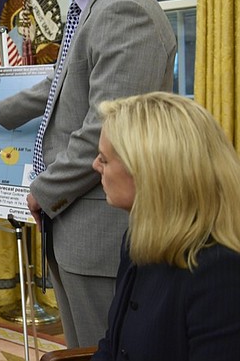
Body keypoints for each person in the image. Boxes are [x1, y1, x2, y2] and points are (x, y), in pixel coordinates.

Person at [0, 0, 176, 347]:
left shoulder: (122, 9)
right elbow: (62, 82)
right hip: (77, 226)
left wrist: (42, 191)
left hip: (101, 232)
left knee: (105, 349)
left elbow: (105, 130)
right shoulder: (90, 4)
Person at [90, 92, 240, 359]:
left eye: (104, 159)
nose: (95, 165)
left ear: (148, 172)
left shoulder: (221, 271)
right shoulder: (136, 240)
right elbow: (112, 345)